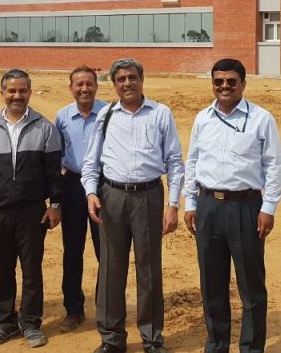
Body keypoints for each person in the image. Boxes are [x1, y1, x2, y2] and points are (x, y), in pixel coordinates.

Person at [82, 58, 184, 353]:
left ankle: (152, 338)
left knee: (149, 269)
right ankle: (112, 338)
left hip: (149, 197)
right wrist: (91, 192)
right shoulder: (106, 116)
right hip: (112, 197)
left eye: (132, 77)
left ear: (142, 79)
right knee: (111, 269)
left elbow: (175, 161)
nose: (127, 83)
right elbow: (91, 161)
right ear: (114, 85)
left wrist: (173, 204)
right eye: (121, 79)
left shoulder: (161, 113)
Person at [184, 58, 281, 353]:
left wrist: (268, 207)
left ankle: (252, 348)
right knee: (212, 284)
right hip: (208, 207)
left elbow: (274, 165)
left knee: (251, 286)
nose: (225, 86)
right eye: (218, 81)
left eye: (231, 81)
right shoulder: (202, 118)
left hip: (245, 208)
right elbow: (193, 162)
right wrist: (190, 202)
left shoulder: (261, 118)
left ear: (243, 83)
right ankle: (216, 345)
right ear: (212, 83)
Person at [0, 69, 64, 348]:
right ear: (2, 94)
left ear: (30, 93)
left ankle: (31, 323)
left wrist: (55, 204)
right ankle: (6, 323)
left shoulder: (45, 128)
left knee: (32, 269)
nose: (17, 96)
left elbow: (53, 174)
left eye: (22, 90)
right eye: (11, 91)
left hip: (33, 211)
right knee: (3, 270)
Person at [54, 66, 107, 332]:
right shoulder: (62, 116)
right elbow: (57, 155)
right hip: (73, 187)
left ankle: (105, 308)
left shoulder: (109, 113)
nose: (84, 89)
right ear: (71, 87)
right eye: (79, 84)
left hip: (104, 188)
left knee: (105, 251)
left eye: (89, 84)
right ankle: (73, 309)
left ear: (96, 85)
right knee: (72, 251)